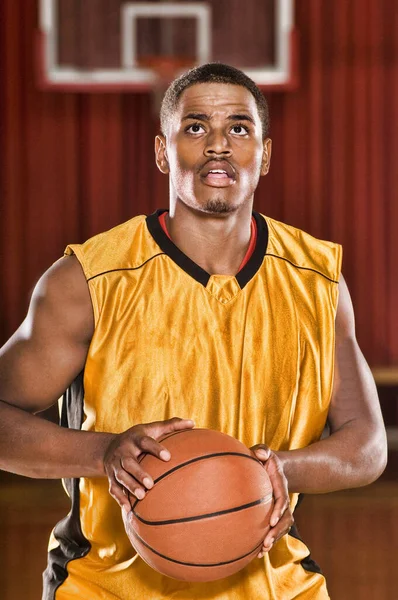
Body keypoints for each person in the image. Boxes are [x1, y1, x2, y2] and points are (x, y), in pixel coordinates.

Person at [0, 63, 387, 600]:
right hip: (105, 586)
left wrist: (276, 472)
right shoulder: (88, 280)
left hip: (271, 585)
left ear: (265, 155)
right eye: (197, 126)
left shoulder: (317, 281)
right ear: (163, 150)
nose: (219, 146)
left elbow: (367, 448)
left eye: (240, 128)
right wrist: (105, 453)